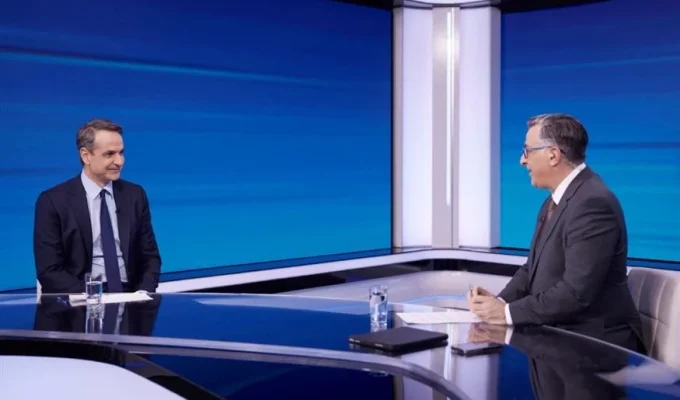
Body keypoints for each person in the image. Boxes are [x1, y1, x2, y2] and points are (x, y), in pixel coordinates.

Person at [467, 113, 644, 353]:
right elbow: (531, 268)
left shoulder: (592, 203)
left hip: (594, 346)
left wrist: (506, 313)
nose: (522, 160)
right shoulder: (554, 202)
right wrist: (499, 302)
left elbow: (576, 293)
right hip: (559, 334)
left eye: (527, 151)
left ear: (553, 155)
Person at [34, 119, 161, 293]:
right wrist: (93, 296)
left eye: (121, 153)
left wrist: (143, 293)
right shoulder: (52, 201)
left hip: (130, 294)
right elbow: (49, 271)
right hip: (79, 296)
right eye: (109, 154)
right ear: (86, 156)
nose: (119, 161)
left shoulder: (134, 195)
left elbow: (150, 257)